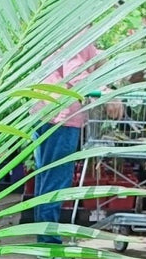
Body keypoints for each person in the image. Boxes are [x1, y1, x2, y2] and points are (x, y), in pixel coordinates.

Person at [26, 41, 101, 243]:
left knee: (47, 176)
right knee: (56, 179)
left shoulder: (70, 23)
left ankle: (44, 236)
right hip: (63, 115)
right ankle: (49, 240)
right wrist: (104, 91)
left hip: (45, 109)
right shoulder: (80, 30)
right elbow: (75, 71)